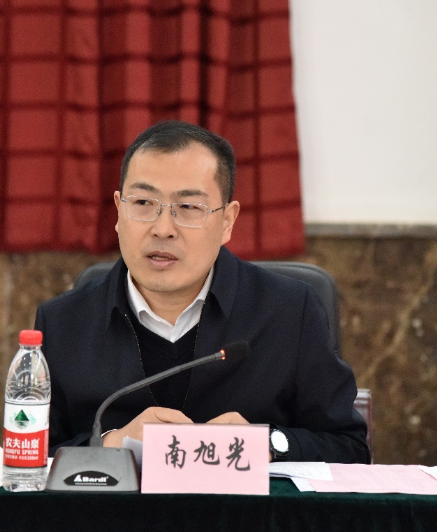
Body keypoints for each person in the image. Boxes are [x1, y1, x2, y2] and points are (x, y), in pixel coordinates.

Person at [35, 120, 370, 463]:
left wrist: (267, 443)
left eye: (188, 207)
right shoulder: (62, 323)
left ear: (227, 221)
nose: (162, 229)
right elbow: (28, 455)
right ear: (119, 211)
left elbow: (350, 448)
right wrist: (109, 444)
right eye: (143, 202)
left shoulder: (290, 312)